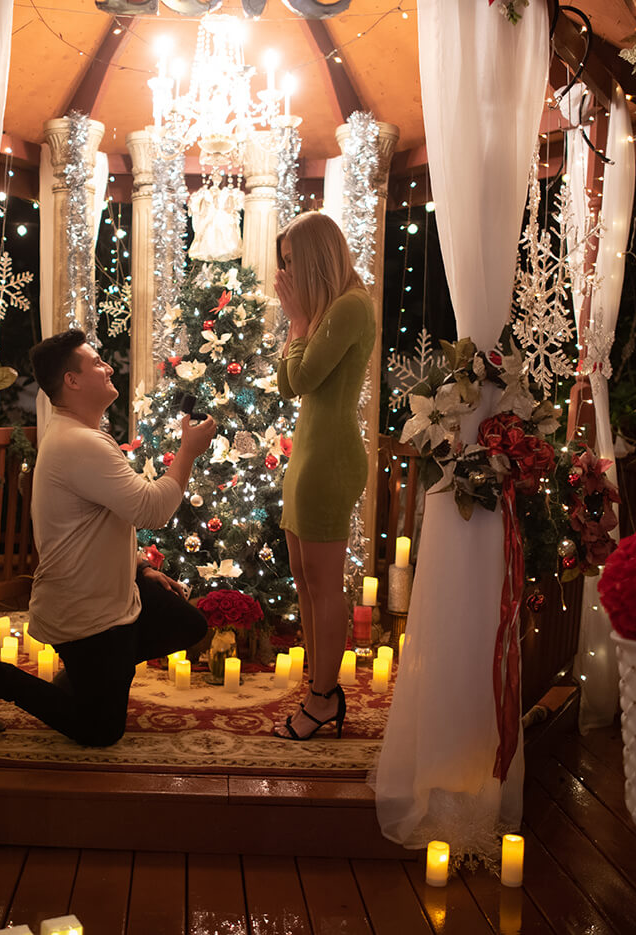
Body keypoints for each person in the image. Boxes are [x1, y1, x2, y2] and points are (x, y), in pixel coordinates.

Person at [0, 329, 217, 746]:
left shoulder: (80, 436)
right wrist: (188, 452)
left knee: (187, 622)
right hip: (85, 613)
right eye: (96, 362)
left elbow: (92, 525)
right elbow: (152, 510)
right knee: (100, 731)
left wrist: (141, 568)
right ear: (71, 381)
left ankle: (88, 676)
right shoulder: (78, 442)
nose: (108, 366)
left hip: (111, 595)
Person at [272, 210, 375, 740]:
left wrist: (295, 322)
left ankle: (322, 697)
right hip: (307, 457)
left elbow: (302, 376)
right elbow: (291, 380)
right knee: (305, 582)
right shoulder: (327, 312)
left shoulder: (351, 307)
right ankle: (319, 684)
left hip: (329, 460)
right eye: (283, 263)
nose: (285, 274)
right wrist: (299, 325)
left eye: (292, 262)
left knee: (324, 585)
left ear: (315, 258)